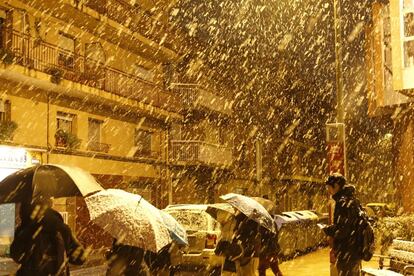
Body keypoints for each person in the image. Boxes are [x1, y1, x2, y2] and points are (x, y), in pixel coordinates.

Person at [10, 197, 86, 276]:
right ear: (49, 204)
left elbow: (17, 256)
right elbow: (80, 259)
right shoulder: (61, 228)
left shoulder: (25, 229)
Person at [323, 173, 363, 276]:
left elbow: (343, 230)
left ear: (336, 186)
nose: (328, 191)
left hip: (347, 250)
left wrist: (328, 230)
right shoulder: (352, 199)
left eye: (329, 187)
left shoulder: (343, 202)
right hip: (353, 250)